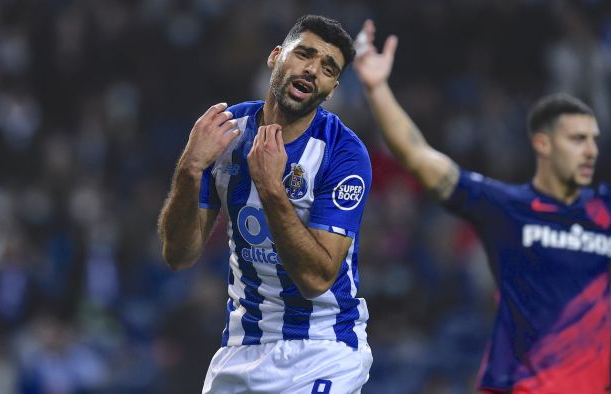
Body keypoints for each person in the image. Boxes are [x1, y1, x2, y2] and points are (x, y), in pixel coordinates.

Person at [353, 19, 610, 394]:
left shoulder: (604, 212)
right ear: (543, 144)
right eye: (577, 139)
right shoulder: (508, 208)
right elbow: (419, 157)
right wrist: (377, 89)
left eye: (593, 140)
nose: (590, 150)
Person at [158, 15, 373, 393]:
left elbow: (316, 279)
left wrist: (272, 189)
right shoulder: (226, 132)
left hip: (323, 349)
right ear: (275, 57)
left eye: (327, 68)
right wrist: (190, 170)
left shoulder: (345, 154)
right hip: (242, 347)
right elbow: (179, 254)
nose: (312, 70)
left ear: (332, 88)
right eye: (304, 54)